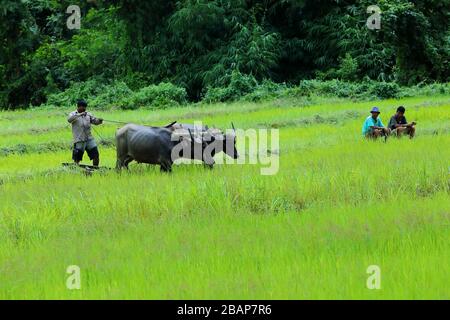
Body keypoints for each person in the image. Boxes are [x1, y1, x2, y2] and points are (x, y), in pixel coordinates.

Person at [67, 99, 103, 166]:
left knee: (96, 156)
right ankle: (75, 169)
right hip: (79, 139)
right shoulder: (73, 114)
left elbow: (95, 121)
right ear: (78, 107)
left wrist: (99, 121)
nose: (84, 108)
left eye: (85, 107)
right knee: (77, 158)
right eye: (83, 107)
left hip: (89, 139)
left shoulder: (88, 114)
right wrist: (80, 115)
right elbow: (69, 120)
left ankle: (95, 169)